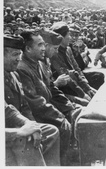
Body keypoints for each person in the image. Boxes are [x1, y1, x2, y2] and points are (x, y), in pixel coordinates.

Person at [16, 31, 73, 165]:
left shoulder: (39, 64)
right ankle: (60, 163)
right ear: (28, 49)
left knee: (71, 116)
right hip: (35, 115)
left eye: (44, 44)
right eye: (40, 44)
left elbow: (52, 88)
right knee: (64, 127)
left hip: (45, 110)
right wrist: (59, 116)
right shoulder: (22, 68)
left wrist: (68, 106)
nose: (43, 48)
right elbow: (36, 102)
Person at [4, 35, 60, 166]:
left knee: (50, 131)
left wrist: (31, 125)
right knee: (26, 140)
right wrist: (19, 132)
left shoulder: (14, 74)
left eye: (20, 54)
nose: (19, 58)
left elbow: (19, 108)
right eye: (15, 54)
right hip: (7, 132)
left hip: (15, 126)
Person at [50, 22, 97, 99]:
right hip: (66, 85)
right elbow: (67, 75)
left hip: (75, 79)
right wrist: (84, 92)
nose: (71, 38)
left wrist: (86, 84)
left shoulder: (68, 49)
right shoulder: (54, 53)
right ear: (61, 37)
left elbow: (78, 67)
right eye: (69, 35)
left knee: (98, 77)